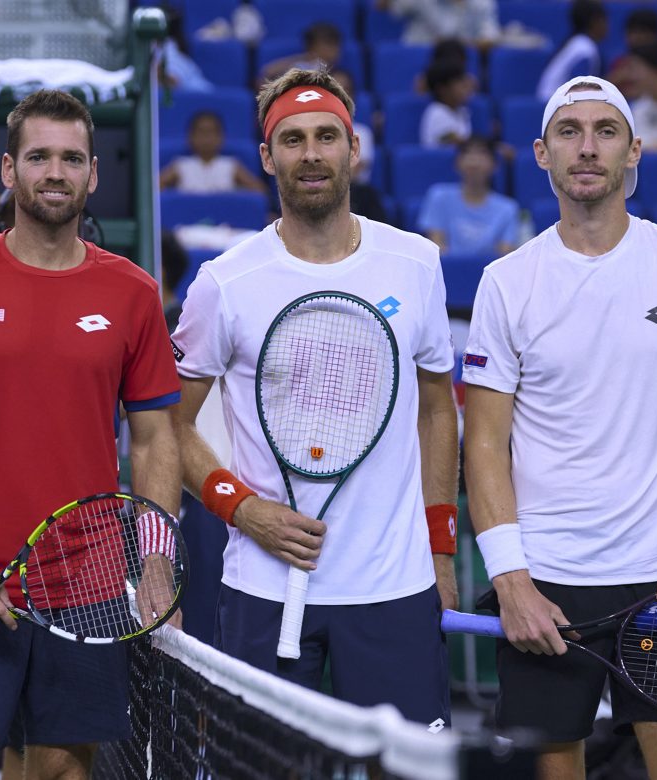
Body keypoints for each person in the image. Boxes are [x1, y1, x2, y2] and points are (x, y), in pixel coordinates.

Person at [0, 88, 181, 780]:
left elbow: (154, 441)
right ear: (7, 170)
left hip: (87, 585)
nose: (56, 172)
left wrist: (157, 563)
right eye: (39, 156)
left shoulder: (135, 292)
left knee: (61, 769)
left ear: (93, 174)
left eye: (72, 158)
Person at [462, 75, 657, 780]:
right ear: (542, 153)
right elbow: (484, 440)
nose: (588, 147)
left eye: (606, 131)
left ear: (634, 151)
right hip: (549, 588)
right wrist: (511, 580)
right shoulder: (506, 282)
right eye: (570, 132)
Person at [170, 67, 458, 725]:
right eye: (293, 139)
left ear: (353, 148)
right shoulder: (225, 282)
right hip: (263, 588)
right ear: (268, 157)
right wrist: (242, 509)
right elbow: (168, 426)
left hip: (395, 586)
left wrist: (441, 550)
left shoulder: (417, 264)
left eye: (327, 136)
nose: (311, 154)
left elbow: (439, 409)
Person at [418, 135, 521, 257]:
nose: (474, 161)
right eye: (468, 154)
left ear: (495, 165)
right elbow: (437, 249)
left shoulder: (508, 208)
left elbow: (505, 256)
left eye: (481, 154)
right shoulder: (439, 197)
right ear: (457, 163)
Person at [160, 111, 267, 194]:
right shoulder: (181, 165)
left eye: (211, 132)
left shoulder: (230, 165)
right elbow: (155, 187)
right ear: (190, 137)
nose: (206, 138)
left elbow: (259, 190)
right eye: (201, 132)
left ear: (221, 137)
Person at [535, 0, 608, 102]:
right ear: (595, 21)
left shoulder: (575, 43)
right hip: (552, 105)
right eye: (605, 20)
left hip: (552, 102)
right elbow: (579, 90)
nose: (607, 26)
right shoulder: (585, 48)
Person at [380, 0, 501, 49]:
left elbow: (490, 39)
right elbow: (382, 5)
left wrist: (452, 45)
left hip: (458, 66)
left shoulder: (481, 3)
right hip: (418, 59)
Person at [259, 22, 344, 85]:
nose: (334, 50)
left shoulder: (341, 77)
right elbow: (266, 75)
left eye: (336, 45)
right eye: (328, 44)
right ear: (311, 46)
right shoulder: (295, 68)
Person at [605, 8, 657, 100]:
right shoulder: (620, 63)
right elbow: (603, 91)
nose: (637, 37)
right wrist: (620, 76)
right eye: (632, 32)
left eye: (643, 31)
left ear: (655, 35)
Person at [420, 58, 474, 148]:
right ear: (442, 89)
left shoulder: (461, 111)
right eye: (460, 84)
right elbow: (456, 142)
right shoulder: (436, 113)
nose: (466, 88)